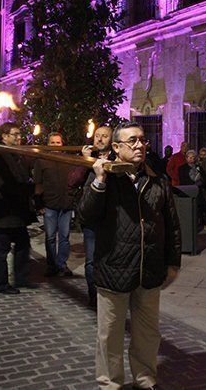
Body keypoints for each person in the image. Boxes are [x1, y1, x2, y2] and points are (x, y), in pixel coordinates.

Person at [76, 121, 181, 389]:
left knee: (147, 332)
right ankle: (110, 382)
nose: (139, 145)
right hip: (114, 267)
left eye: (142, 140)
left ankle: (145, 379)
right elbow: (85, 217)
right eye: (132, 141)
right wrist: (98, 182)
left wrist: (172, 262)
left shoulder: (157, 178)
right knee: (109, 334)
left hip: (149, 268)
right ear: (116, 147)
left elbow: (171, 223)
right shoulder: (103, 175)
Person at [0, 123, 35, 295]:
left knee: (23, 244)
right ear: (4, 137)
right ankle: (1, 284)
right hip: (1, 213)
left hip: (15, 212)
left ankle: (21, 278)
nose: (18, 137)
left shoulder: (16, 155)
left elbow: (23, 177)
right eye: (14, 134)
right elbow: (6, 184)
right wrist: (32, 189)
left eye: (19, 134)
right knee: (1, 251)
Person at [72, 125, 114, 307]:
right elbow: (72, 181)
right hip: (91, 219)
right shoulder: (87, 159)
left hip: (111, 217)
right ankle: (94, 295)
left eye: (104, 136)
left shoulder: (117, 159)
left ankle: (110, 294)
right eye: (97, 136)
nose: (100, 139)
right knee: (91, 261)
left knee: (110, 258)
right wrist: (85, 161)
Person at [34, 132, 75, 277]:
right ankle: (51, 265)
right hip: (50, 204)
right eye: (53, 142)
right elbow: (38, 184)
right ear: (48, 144)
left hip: (66, 204)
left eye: (58, 142)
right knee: (50, 237)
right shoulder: (42, 161)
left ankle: (62, 264)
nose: (56, 145)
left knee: (64, 237)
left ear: (62, 144)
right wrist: (39, 204)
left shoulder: (69, 160)